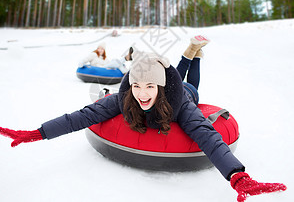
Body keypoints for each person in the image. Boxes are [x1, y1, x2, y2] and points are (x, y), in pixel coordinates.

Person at [0, 36, 286, 202]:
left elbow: (208, 136)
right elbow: (84, 116)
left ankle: (194, 55)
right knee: (158, 82)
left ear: (160, 88)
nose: (142, 93)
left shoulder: (182, 107)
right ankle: (191, 52)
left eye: (149, 87)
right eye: (137, 86)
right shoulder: (125, 97)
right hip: (166, 81)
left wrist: (237, 175)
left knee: (193, 85)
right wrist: (36, 133)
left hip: (185, 93)